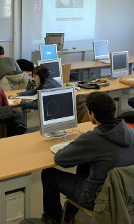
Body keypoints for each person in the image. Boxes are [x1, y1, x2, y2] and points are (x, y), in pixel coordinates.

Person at [39, 92, 134, 224]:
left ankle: (54, 219)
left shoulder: (94, 138)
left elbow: (61, 159)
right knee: (84, 164)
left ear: (92, 114)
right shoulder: (130, 131)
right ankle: (69, 215)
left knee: (48, 175)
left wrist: (76, 144)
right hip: (127, 193)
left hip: (98, 197)